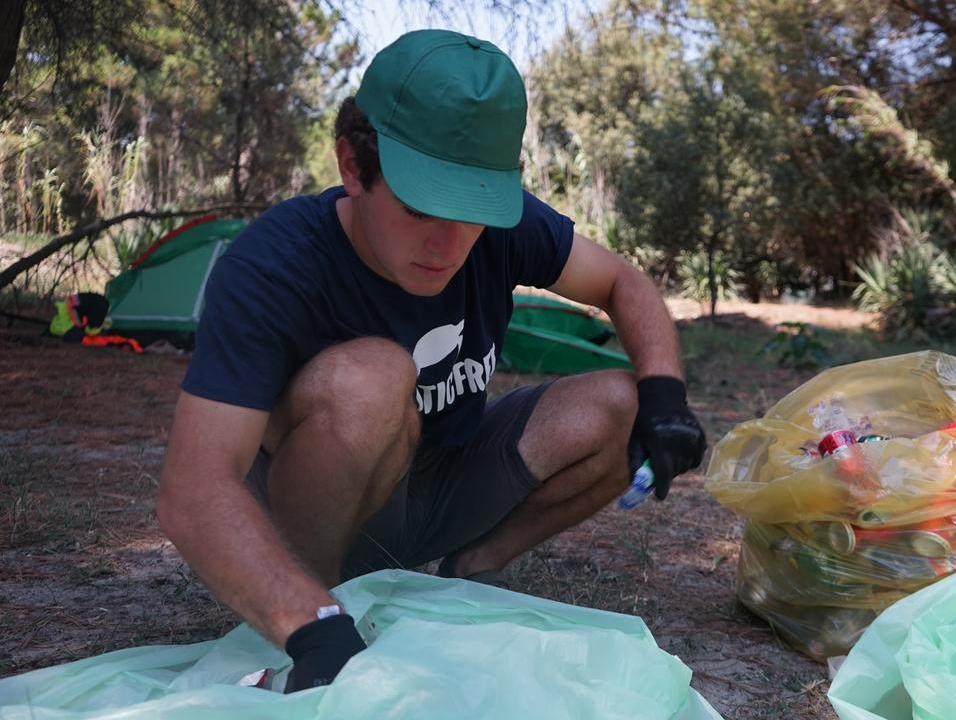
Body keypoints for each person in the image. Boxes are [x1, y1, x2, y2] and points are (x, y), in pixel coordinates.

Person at [155, 29, 706, 693]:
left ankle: (464, 580)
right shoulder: (272, 266)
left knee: (628, 399)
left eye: (473, 211)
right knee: (372, 379)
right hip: (326, 516)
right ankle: (322, 614)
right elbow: (194, 488)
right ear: (353, 166)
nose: (449, 243)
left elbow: (623, 282)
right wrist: (310, 622)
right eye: (420, 206)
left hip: (448, 481)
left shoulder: (496, 228)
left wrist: (667, 397)